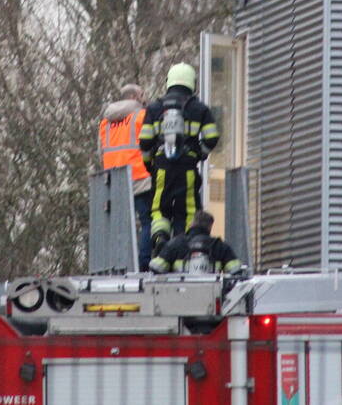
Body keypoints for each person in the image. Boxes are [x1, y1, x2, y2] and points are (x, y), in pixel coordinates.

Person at [139, 63, 220, 252]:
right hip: (187, 169)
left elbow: (144, 142)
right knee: (189, 208)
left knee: (159, 209)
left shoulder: (154, 108)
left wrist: (149, 165)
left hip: (161, 168)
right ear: (192, 82)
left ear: (169, 82)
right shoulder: (200, 109)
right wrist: (200, 154)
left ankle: (160, 241)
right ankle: (185, 248)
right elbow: (212, 137)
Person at [99, 83, 152, 272]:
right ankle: (144, 263)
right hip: (141, 177)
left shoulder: (106, 123)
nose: (144, 98)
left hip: (114, 182)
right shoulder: (142, 116)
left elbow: (101, 152)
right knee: (148, 221)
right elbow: (150, 145)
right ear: (134, 97)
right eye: (142, 95)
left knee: (121, 226)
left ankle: (120, 266)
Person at [148, 211, 243, 274]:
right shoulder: (220, 246)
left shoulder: (176, 244)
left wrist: (159, 248)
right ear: (210, 227)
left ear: (191, 224)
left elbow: (156, 267)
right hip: (210, 295)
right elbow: (236, 271)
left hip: (178, 296)